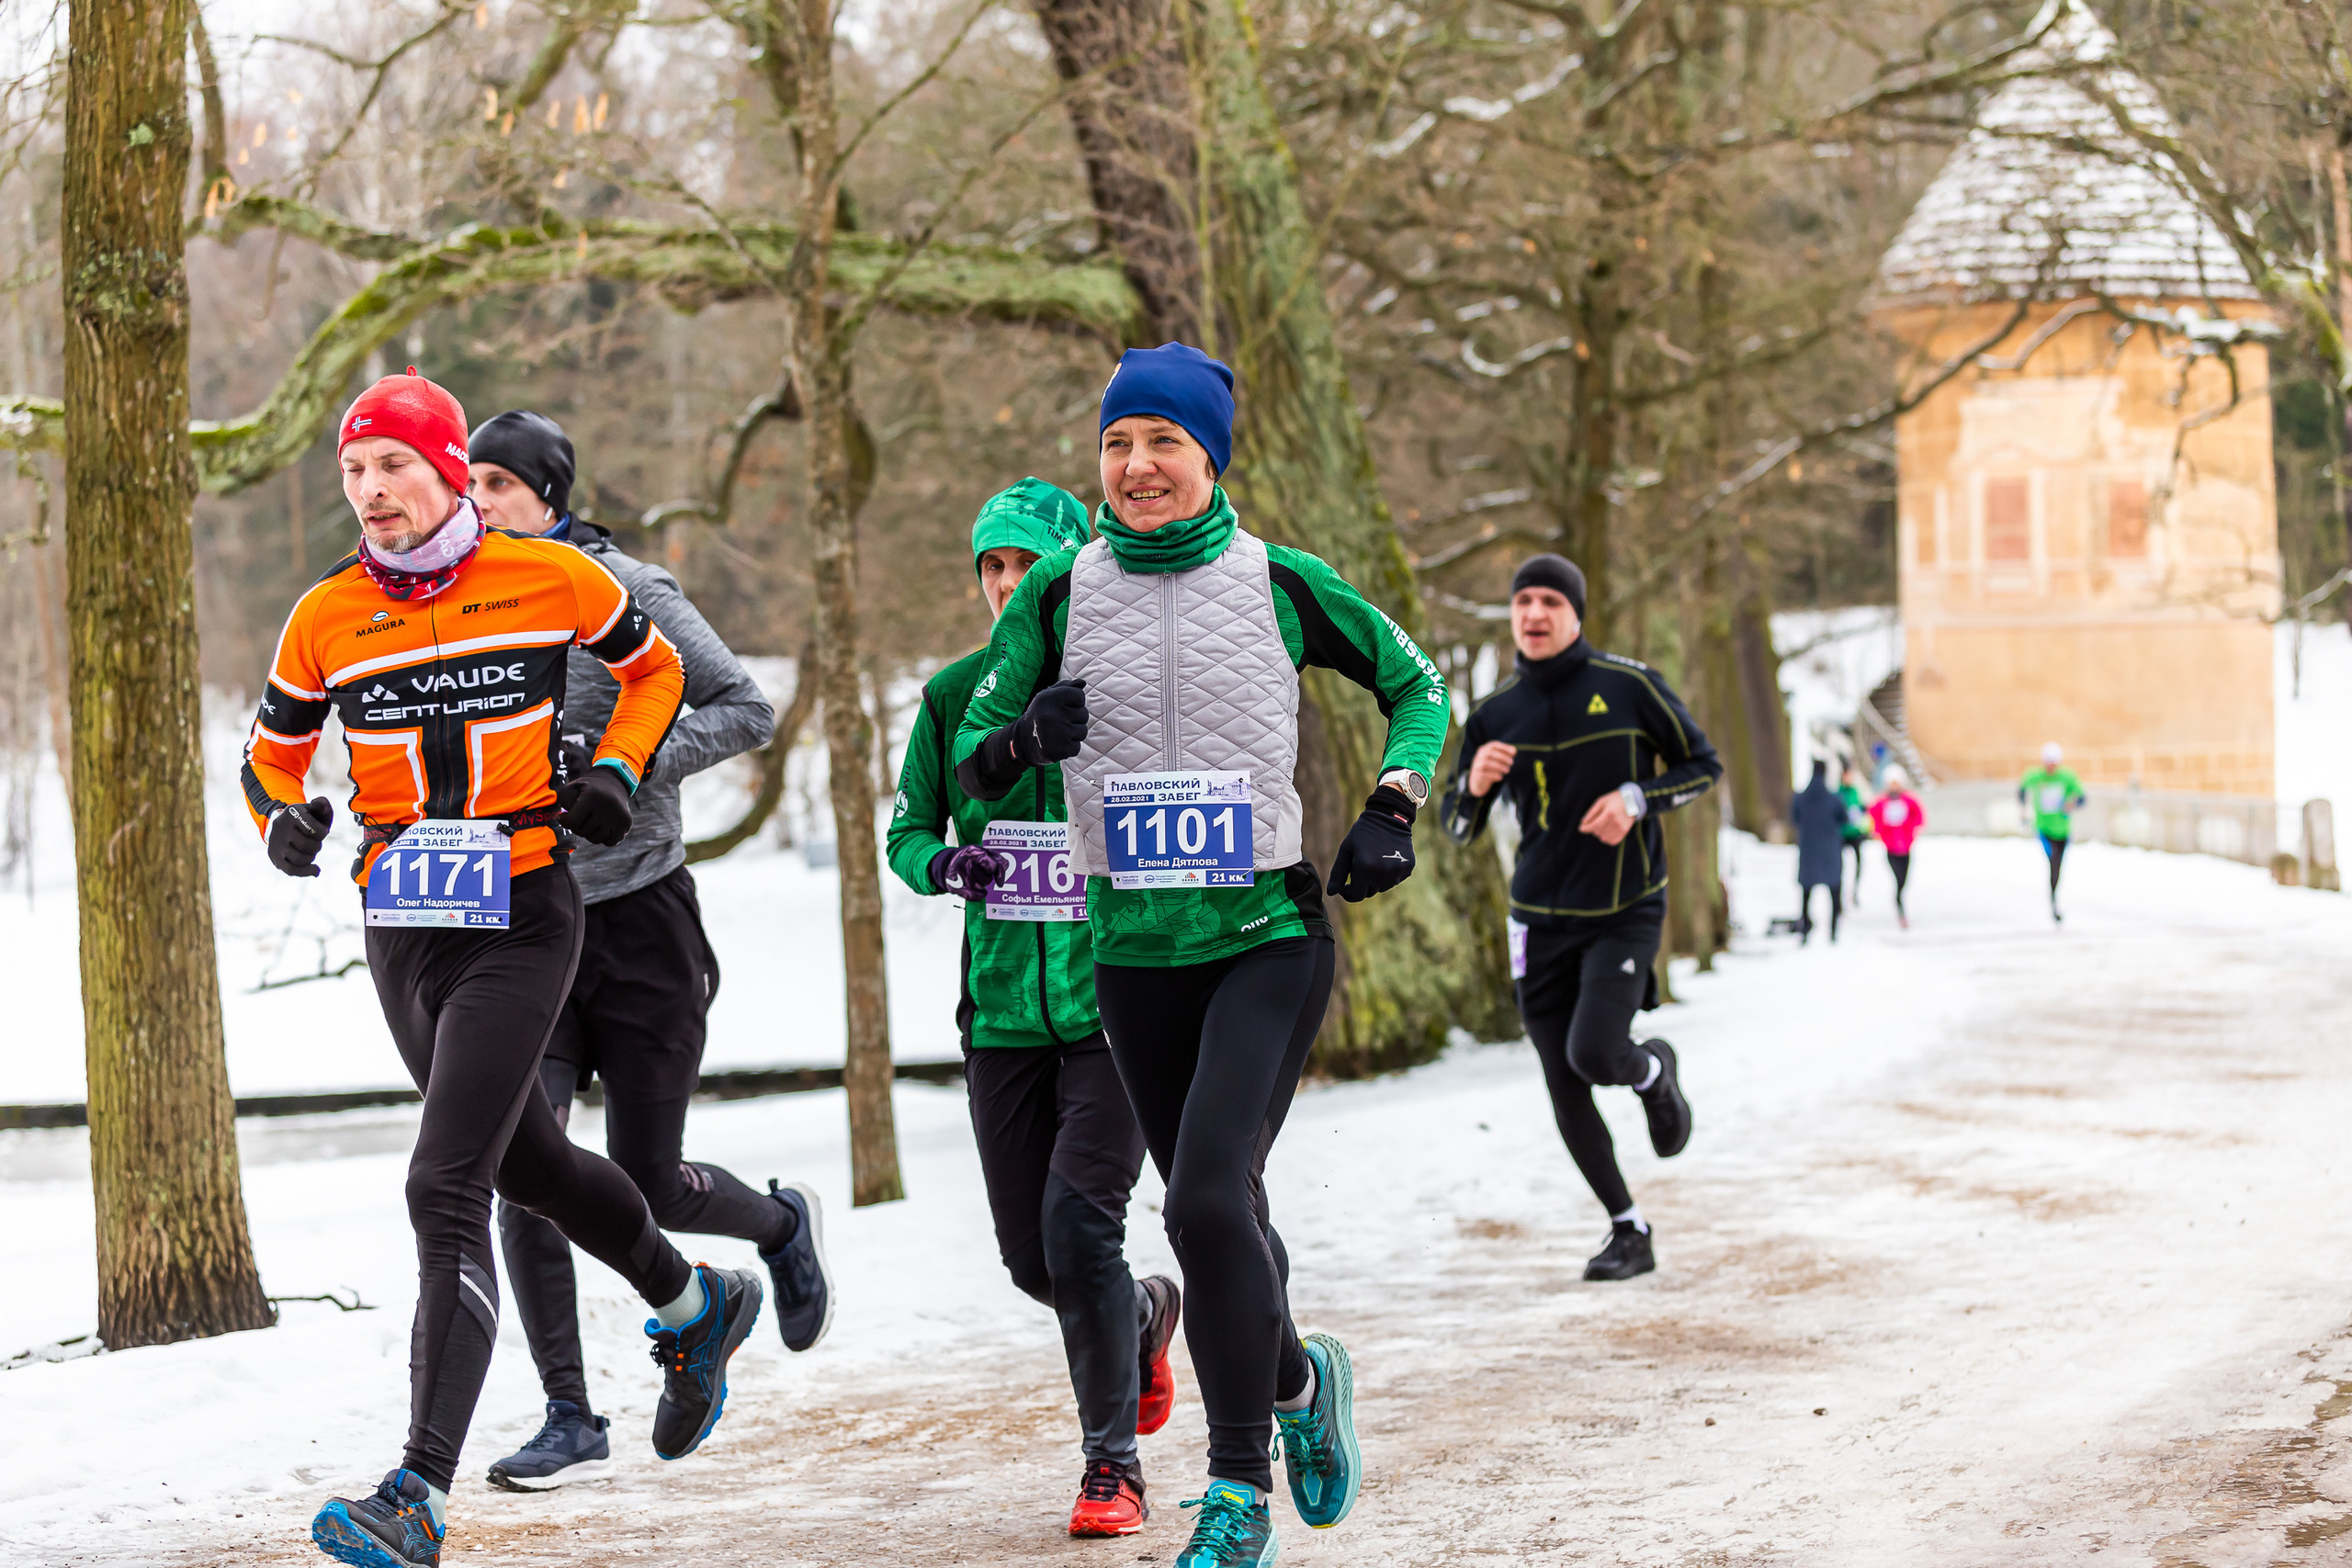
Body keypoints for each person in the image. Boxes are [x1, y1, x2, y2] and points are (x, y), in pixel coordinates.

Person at [244, 372, 763, 1568]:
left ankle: (416, 1488)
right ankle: (696, 1303)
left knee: (444, 1179)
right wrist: (280, 818)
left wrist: (622, 772)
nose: (374, 493)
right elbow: (270, 754)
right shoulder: (323, 615)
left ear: (443, 469)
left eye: (396, 468)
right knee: (526, 1159)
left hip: (526, 911)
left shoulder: (554, 575)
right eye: (354, 472)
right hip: (404, 923)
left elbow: (658, 673)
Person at [952, 343, 1443, 1567]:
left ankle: (1237, 1490)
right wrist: (1023, 737)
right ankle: (1296, 1374)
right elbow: (967, 757)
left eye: (1163, 441)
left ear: (1211, 455)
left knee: (1206, 1197)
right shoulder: (1057, 592)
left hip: (1265, 934)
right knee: (1221, 1221)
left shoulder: (1281, 578)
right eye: (1118, 444)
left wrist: (1394, 798)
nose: (1136, 464)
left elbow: (1417, 681)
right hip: (1130, 950)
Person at [462, 410, 834, 1495]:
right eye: (467, 481)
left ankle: (776, 1225)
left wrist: (627, 766)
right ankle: (570, 1414)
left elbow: (744, 706)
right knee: (520, 1172)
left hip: (639, 924)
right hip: (522, 926)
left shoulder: (627, 591)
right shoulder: (459, 611)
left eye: (497, 482)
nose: (478, 501)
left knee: (640, 1180)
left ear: (549, 495)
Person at [886, 477, 1183, 1539]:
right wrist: (947, 863)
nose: (1007, 586)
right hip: (1004, 1014)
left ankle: (1115, 1468)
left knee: (1077, 1222)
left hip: (1117, 1010)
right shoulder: (954, 693)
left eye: (1026, 567)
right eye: (992, 568)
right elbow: (909, 832)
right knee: (1033, 1256)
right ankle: (1143, 1314)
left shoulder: (1136, 685)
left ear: (1067, 577)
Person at [1441, 554, 1719, 1283]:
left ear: (1576, 613)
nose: (1534, 613)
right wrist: (1471, 786)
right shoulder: (1495, 715)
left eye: (1549, 601)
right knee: (1562, 1082)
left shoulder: (1628, 687)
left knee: (1594, 1053)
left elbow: (1702, 765)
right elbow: (1458, 827)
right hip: (1537, 918)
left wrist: (1637, 799)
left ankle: (1652, 1068)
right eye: (1523, 601)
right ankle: (1628, 1228)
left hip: (1625, 907)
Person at [2019, 742, 2086, 922]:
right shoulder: (2035, 776)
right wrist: (2023, 810)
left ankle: (2054, 898)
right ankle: (2054, 903)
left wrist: (2072, 804)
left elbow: (2082, 798)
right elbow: (2022, 789)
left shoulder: (2067, 777)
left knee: (2058, 866)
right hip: (2044, 829)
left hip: (2063, 830)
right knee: (2053, 862)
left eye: (2054, 763)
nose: (2050, 767)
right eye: (2048, 762)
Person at [1792, 759, 1846, 944]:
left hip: (1808, 851)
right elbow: (1844, 818)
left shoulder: (1800, 798)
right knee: (1834, 892)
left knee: (1806, 894)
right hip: (1830, 851)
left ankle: (1805, 930)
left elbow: (1794, 818)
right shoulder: (1834, 799)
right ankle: (1833, 931)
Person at [1868, 764, 1925, 928]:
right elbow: (1873, 819)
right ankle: (1900, 908)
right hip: (1891, 848)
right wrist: (1880, 833)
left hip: (1906, 848)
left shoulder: (1909, 800)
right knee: (1898, 879)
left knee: (1904, 880)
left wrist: (1912, 831)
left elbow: (1918, 817)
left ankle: (1900, 901)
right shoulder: (1881, 802)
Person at [1838, 764, 1872, 905]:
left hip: (1855, 833)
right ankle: (1840, 896)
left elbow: (1861, 809)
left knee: (1858, 865)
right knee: (1841, 866)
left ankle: (1855, 892)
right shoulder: (1838, 793)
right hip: (1842, 834)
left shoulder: (1855, 792)